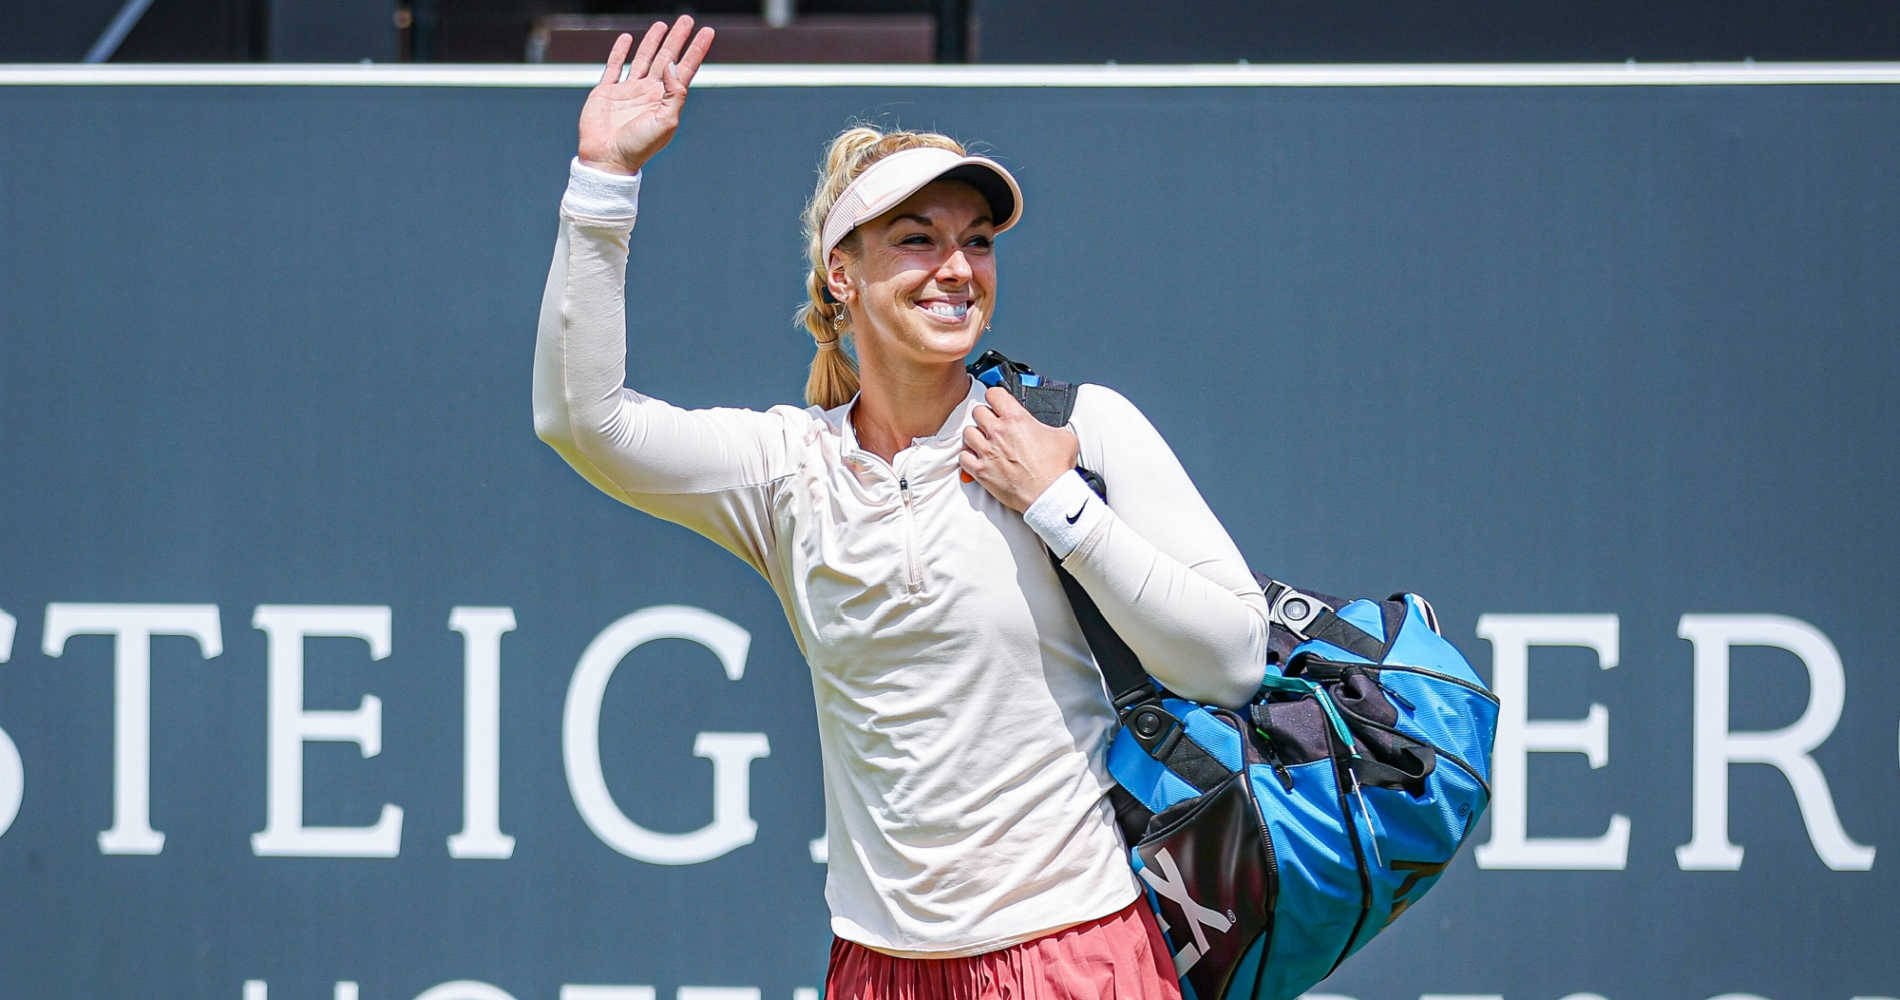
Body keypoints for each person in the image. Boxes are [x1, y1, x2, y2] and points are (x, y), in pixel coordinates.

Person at [532, 16, 1271, 998]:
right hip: (875, 967)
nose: (956, 269)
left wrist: (1057, 503)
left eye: (975, 242)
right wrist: (602, 182)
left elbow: (1231, 659)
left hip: (1078, 950)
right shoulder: (786, 468)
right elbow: (582, 421)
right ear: (842, 273)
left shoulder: (1077, 432)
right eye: (917, 240)